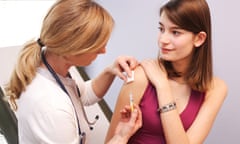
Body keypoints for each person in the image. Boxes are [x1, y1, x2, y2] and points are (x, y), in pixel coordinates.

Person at [4, 0, 142, 143]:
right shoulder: (52, 108)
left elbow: (83, 94)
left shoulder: (54, 60)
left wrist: (110, 71)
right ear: (72, 49)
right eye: (97, 46)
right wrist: (121, 136)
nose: (103, 51)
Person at [105, 0, 228, 143]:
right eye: (162, 29)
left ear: (199, 38)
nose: (163, 39)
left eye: (175, 32)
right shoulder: (140, 77)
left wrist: (162, 87)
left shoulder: (216, 88)